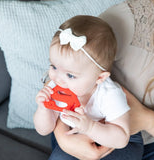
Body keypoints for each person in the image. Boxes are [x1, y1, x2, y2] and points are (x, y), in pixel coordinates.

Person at [51, 0, 154, 160]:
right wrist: (63, 138)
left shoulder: (109, 94)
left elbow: (121, 139)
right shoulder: (127, 21)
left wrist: (148, 120)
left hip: (129, 137)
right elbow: (65, 70)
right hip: (77, 126)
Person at [34, 15, 143, 160]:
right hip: (74, 132)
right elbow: (44, 130)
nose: (58, 79)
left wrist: (90, 127)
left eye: (70, 75)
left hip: (115, 139)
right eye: (53, 66)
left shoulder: (109, 94)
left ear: (99, 78)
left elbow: (121, 139)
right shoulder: (55, 85)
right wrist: (43, 109)